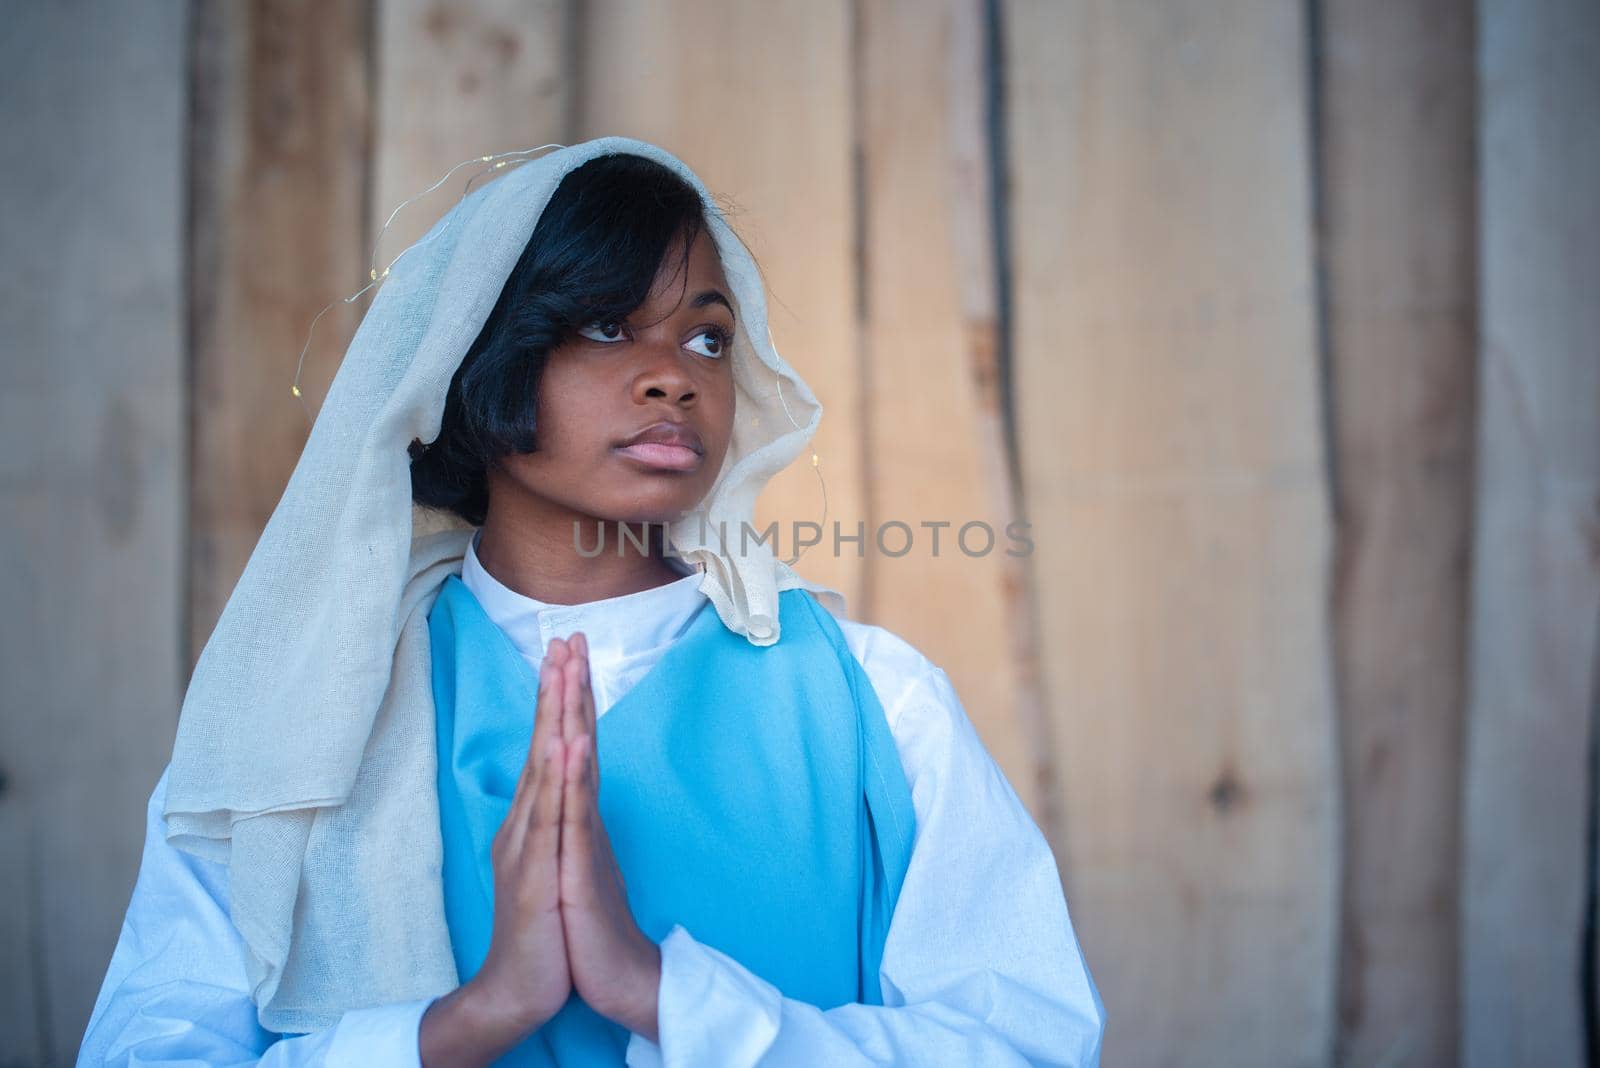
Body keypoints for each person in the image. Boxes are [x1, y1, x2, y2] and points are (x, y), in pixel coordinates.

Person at [77, 137, 1105, 1066]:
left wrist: (665, 997)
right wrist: (466, 1023)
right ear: (478, 359)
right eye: (608, 326)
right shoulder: (301, 723)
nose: (673, 377)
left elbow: (1027, 1042)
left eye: (706, 340)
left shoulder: (876, 700)